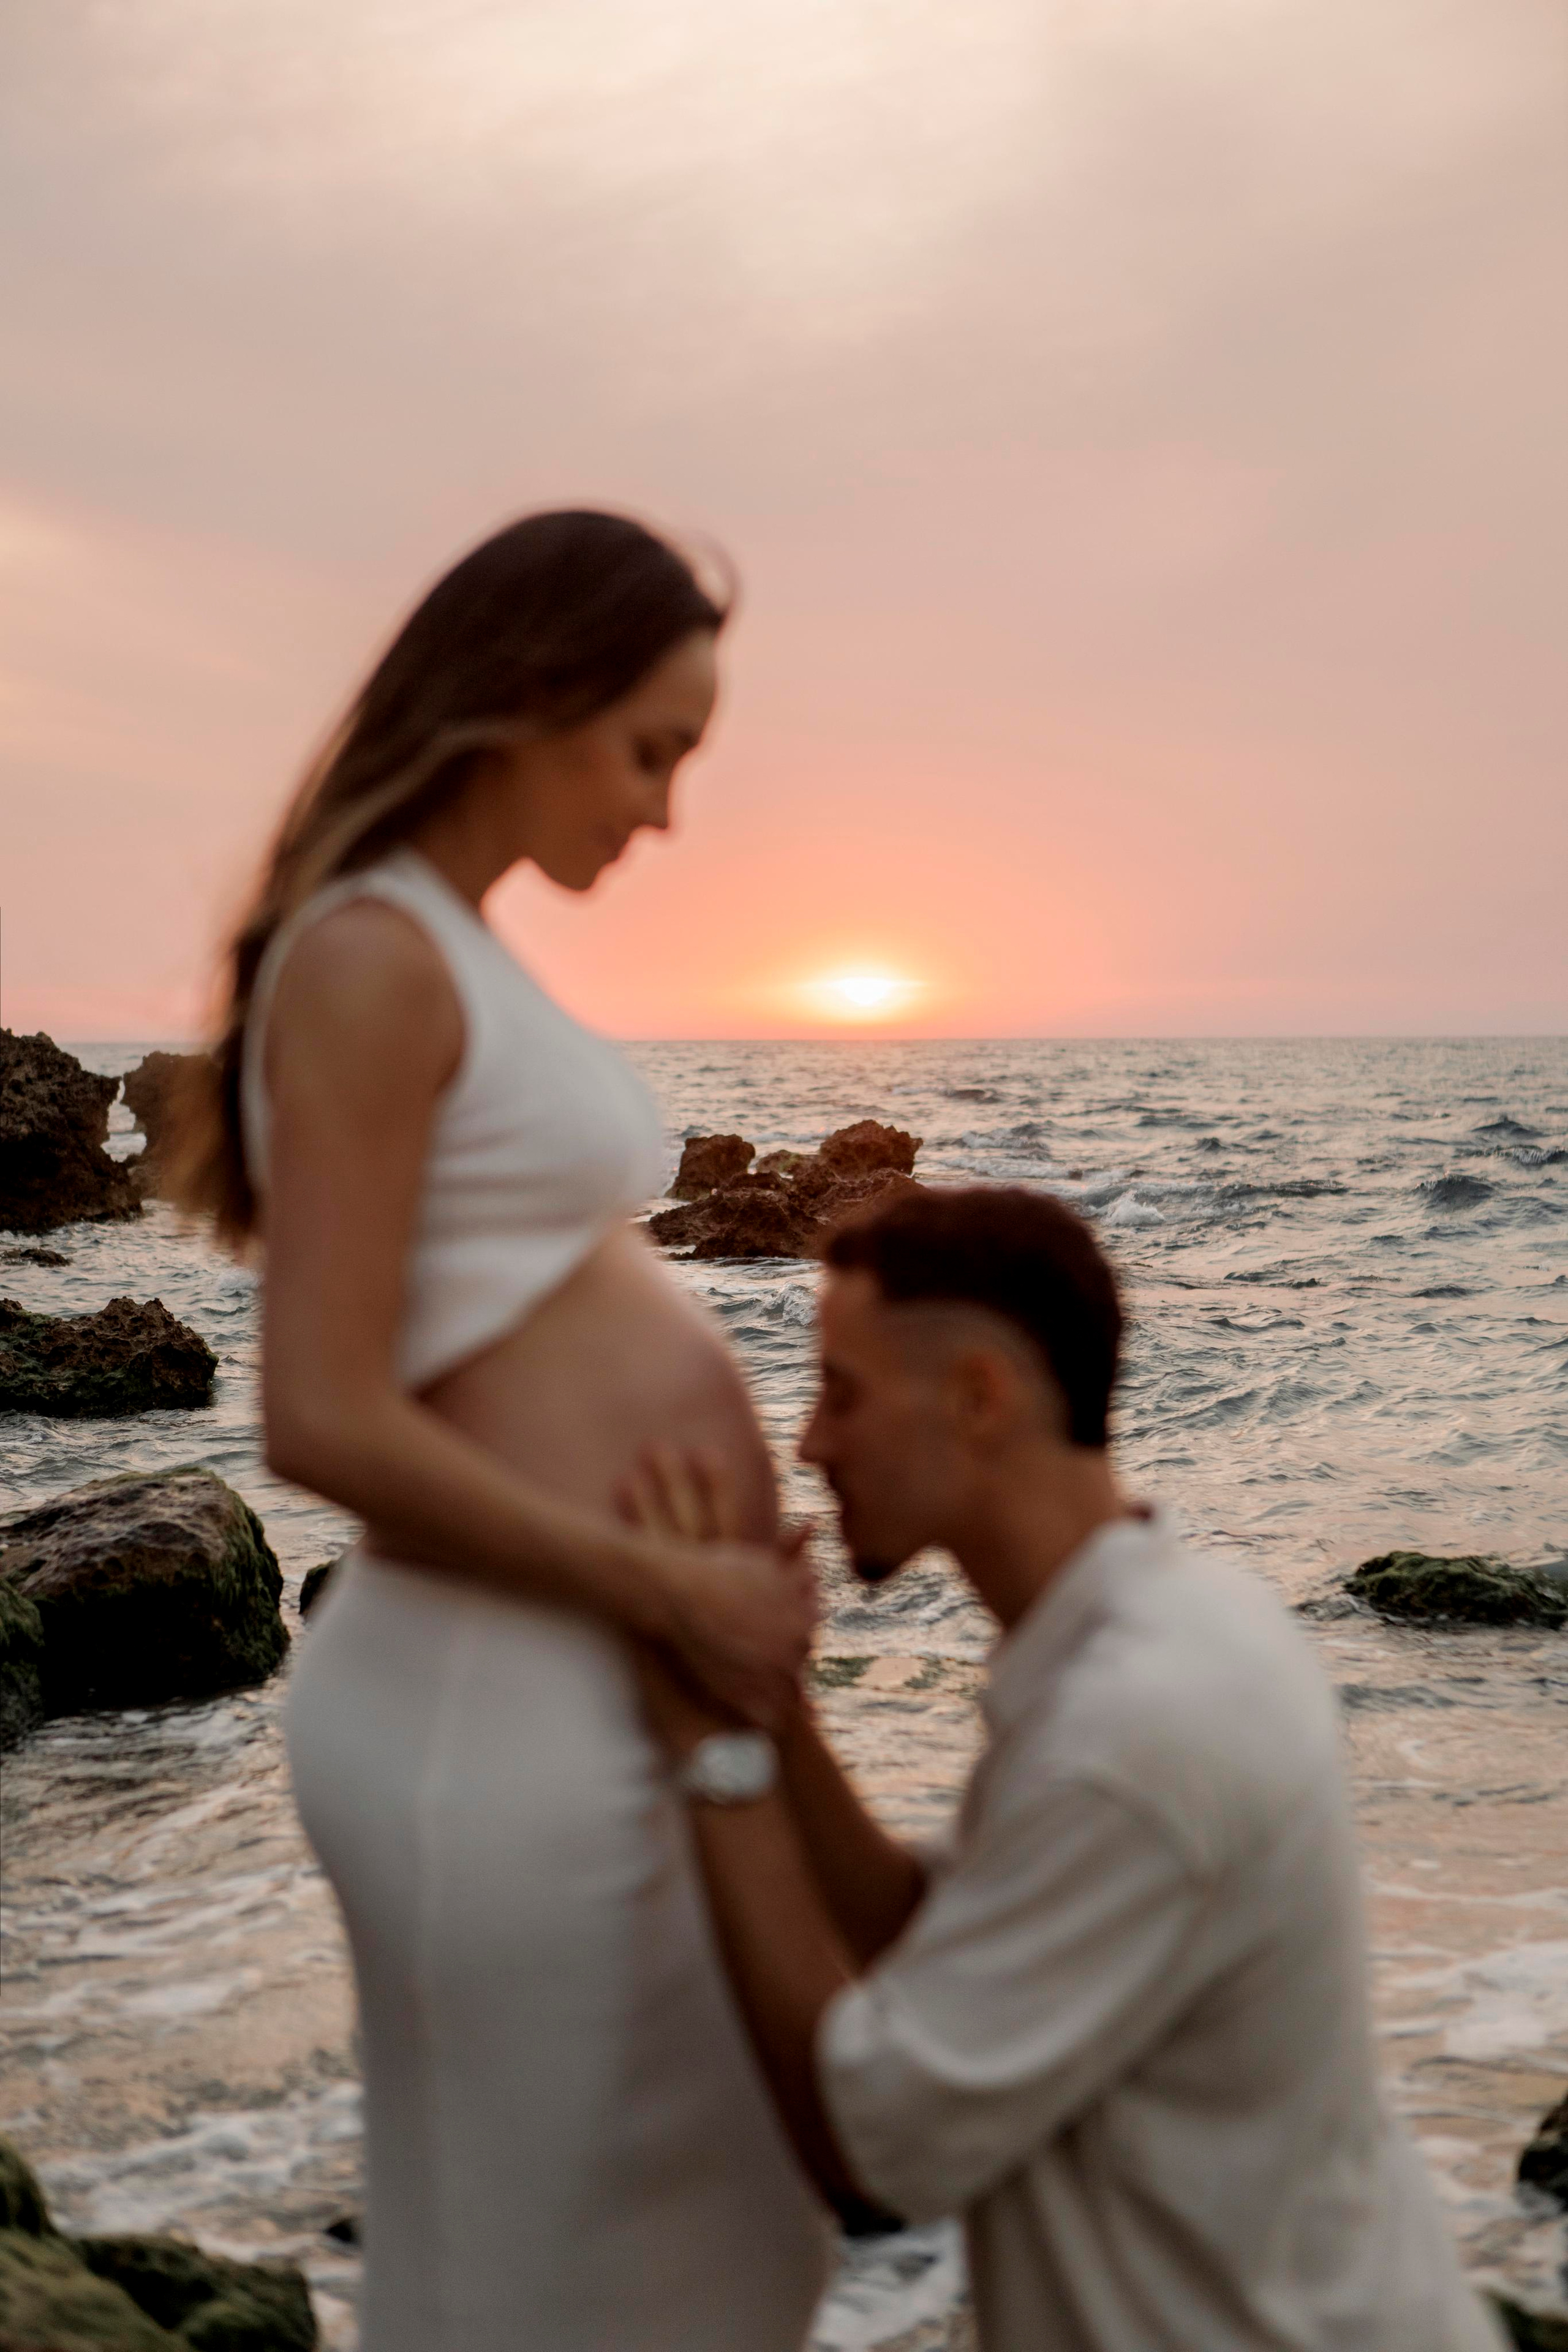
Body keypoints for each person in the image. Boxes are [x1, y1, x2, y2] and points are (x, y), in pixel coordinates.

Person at [171, 511, 831, 2352]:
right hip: (488, 1708)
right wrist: (669, 1587)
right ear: (527, 696)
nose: (667, 810)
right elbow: (321, 1413)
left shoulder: (450, 945)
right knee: (555, 2278)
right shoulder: (375, 958)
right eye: (652, 750)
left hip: (575, 1687)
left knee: (708, 2245)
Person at [628, 1184, 1505, 2352]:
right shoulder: (1169, 1619)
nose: (809, 1441)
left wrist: (710, 1744)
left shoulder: (1133, 1734)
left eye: (843, 1391)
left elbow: (866, 2153)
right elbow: (936, 1938)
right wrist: (776, 1707)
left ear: (978, 1397)